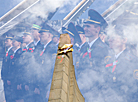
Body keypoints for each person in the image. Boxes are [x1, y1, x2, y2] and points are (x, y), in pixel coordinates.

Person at [103, 24, 138, 102]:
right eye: (109, 38)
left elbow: (134, 88)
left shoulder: (132, 60)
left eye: (113, 38)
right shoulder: (109, 59)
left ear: (124, 40)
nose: (109, 40)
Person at [1, 35, 14, 102]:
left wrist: (9, 78)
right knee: (6, 94)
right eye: (5, 41)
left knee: (10, 95)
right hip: (5, 78)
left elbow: (10, 67)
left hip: (9, 78)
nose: (5, 42)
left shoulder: (12, 52)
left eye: (7, 41)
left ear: (12, 42)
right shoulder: (7, 52)